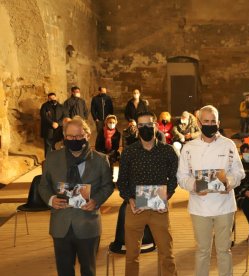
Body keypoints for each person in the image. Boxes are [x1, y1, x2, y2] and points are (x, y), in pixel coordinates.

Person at [38, 116, 114, 276]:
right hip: (60, 223)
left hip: (88, 223)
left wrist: (96, 200)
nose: (75, 139)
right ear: (65, 137)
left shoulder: (101, 160)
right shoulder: (52, 158)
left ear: (87, 135)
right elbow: (43, 185)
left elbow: (108, 186)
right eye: (71, 136)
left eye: (79, 136)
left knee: (89, 270)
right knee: (64, 270)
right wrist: (51, 199)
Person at [177, 105, 245, 276]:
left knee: (224, 250)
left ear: (218, 122)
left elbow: (239, 172)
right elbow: (182, 177)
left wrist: (229, 182)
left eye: (213, 121)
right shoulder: (189, 148)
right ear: (199, 123)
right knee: (202, 250)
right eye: (206, 121)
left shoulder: (228, 145)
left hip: (225, 205)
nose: (209, 124)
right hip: (200, 207)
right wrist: (194, 186)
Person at [117, 111, 178, 276]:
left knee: (167, 253)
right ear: (137, 128)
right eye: (141, 125)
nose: (145, 128)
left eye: (149, 125)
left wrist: (166, 197)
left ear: (156, 126)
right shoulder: (129, 152)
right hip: (135, 207)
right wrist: (129, 199)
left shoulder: (168, 151)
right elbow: (121, 181)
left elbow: (174, 178)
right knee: (131, 256)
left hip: (159, 209)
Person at [40, 92, 65, 157]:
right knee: (48, 145)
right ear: (48, 99)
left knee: (57, 144)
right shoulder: (44, 106)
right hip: (48, 128)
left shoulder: (61, 106)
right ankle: (48, 160)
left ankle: (57, 160)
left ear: (56, 97)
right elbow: (43, 116)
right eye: (50, 98)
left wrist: (58, 123)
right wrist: (52, 123)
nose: (52, 99)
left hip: (58, 128)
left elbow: (64, 116)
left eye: (53, 97)